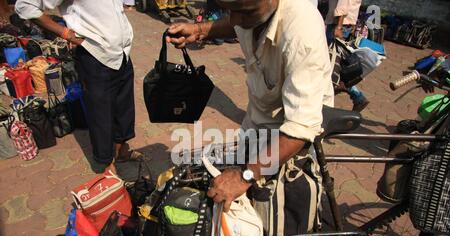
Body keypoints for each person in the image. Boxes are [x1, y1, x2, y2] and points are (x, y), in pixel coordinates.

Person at [166, 0, 334, 212]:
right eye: (231, 11)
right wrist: (200, 30)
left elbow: (299, 129)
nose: (235, 20)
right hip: (260, 116)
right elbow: (234, 23)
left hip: (291, 133)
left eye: (244, 12)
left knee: (275, 206)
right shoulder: (249, 14)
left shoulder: (302, 32)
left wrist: (245, 175)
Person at [15, 0, 142, 173]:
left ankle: (121, 150)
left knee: (124, 107)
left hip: (122, 53)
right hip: (95, 54)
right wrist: (66, 33)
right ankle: (106, 164)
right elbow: (26, 6)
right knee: (101, 115)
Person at [325, 0, 370, 112]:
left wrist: (339, 26)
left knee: (330, 61)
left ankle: (356, 96)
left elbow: (343, 4)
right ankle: (357, 96)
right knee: (335, 62)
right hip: (344, 23)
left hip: (339, 24)